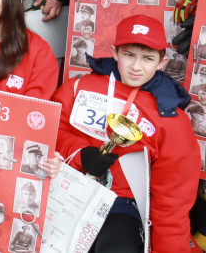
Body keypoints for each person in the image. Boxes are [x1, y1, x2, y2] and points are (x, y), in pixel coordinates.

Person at [52, 15, 198, 253]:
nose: (137, 66)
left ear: (162, 62)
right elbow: (49, 129)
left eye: (148, 58)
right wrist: (81, 153)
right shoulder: (80, 87)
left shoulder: (171, 120)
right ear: (115, 52)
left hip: (122, 204)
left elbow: (172, 202)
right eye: (129, 55)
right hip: (69, 188)